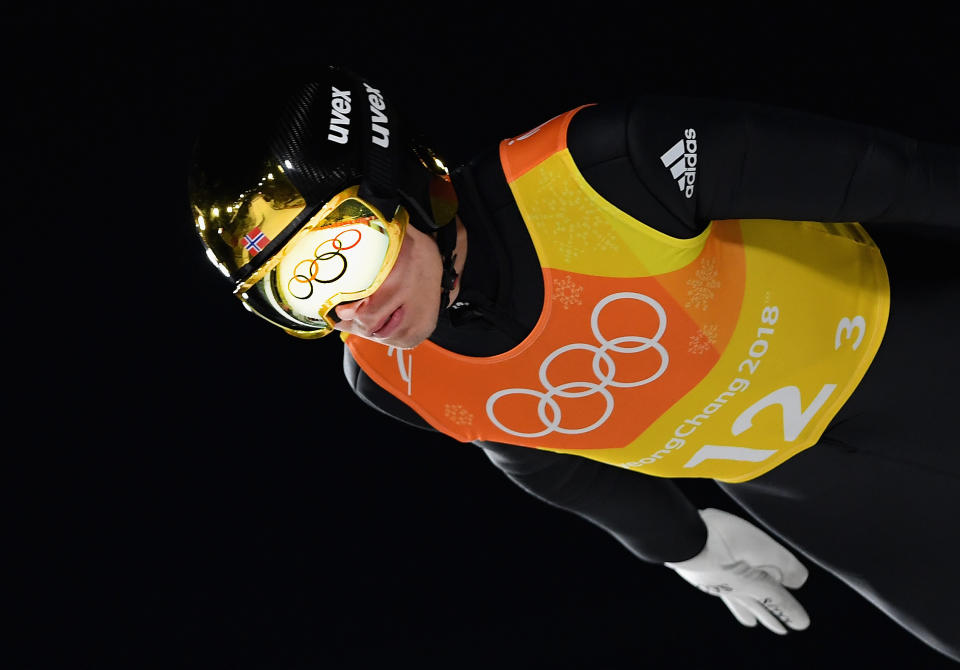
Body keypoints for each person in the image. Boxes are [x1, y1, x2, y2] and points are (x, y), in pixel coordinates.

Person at [187, 65, 959, 662]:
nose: (350, 309)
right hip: (814, 492)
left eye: (344, 253)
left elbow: (904, 178)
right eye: (298, 293)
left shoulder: (608, 167)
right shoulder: (388, 379)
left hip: (914, 350)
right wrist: (680, 545)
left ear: (398, 187)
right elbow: (537, 457)